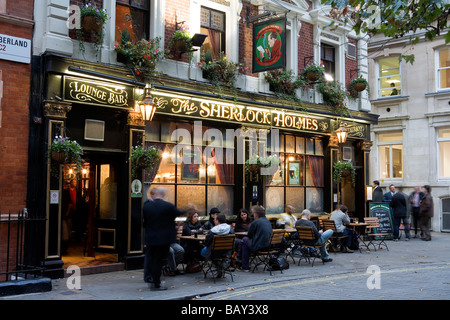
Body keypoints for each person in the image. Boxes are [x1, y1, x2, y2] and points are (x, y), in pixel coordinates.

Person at [143, 187, 183, 290]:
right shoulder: (168, 206)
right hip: (164, 239)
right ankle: (156, 283)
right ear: (163, 195)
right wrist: (190, 208)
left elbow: (143, 222)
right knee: (158, 261)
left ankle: (150, 279)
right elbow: (180, 213)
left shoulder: (147, 206)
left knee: (151, 259)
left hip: (151, 238)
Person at [238, 206, 273, 271]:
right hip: (268, 246)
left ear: (256, 214)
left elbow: (249, 234)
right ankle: (242, 262)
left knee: (244, 240)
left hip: (259, 246)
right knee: (244, 243)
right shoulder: (267, 221)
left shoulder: (256, 222)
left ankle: (242, 262)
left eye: (253, 213)